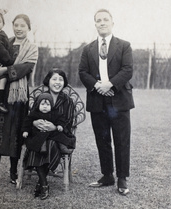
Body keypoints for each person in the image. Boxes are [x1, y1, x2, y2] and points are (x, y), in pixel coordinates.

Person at [78, 9, 135, 195]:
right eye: (98, 20)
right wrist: (97, 86)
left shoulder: (124, 45)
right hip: (97, 100)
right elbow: (82, 72)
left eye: (105, 20)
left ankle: (122, 179)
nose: (102, 23)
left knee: (121, 140)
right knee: (102, 140)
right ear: (95, 24)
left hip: (119, 100)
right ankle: (107, 175)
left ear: (112, 22)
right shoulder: (87, 49)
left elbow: (127, 70)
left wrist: (110, 84)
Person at [0, 14, 38, 186]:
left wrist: (3, 71)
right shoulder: (2, 41)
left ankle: (13, 173)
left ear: (28, 28)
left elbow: (25, 68)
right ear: (12, 26)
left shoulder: (32, 48)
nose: (19, 28)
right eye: (16, 25)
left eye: (23, 25)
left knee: (15, 132)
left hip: (17, 95)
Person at [24, 69, 76, 200]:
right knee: (38, 142)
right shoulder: (41, 97)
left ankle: (41, 183)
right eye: (54, 79)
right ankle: (44, 184)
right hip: (39, 133)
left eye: (61, 79)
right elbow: (31, 116)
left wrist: (54, 127)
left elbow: (69, 122)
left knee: (50, 143)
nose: (57, 82)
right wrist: (35, 123)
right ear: (48, 81)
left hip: (59, 136)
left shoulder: (68, 101)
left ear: (64, 83)